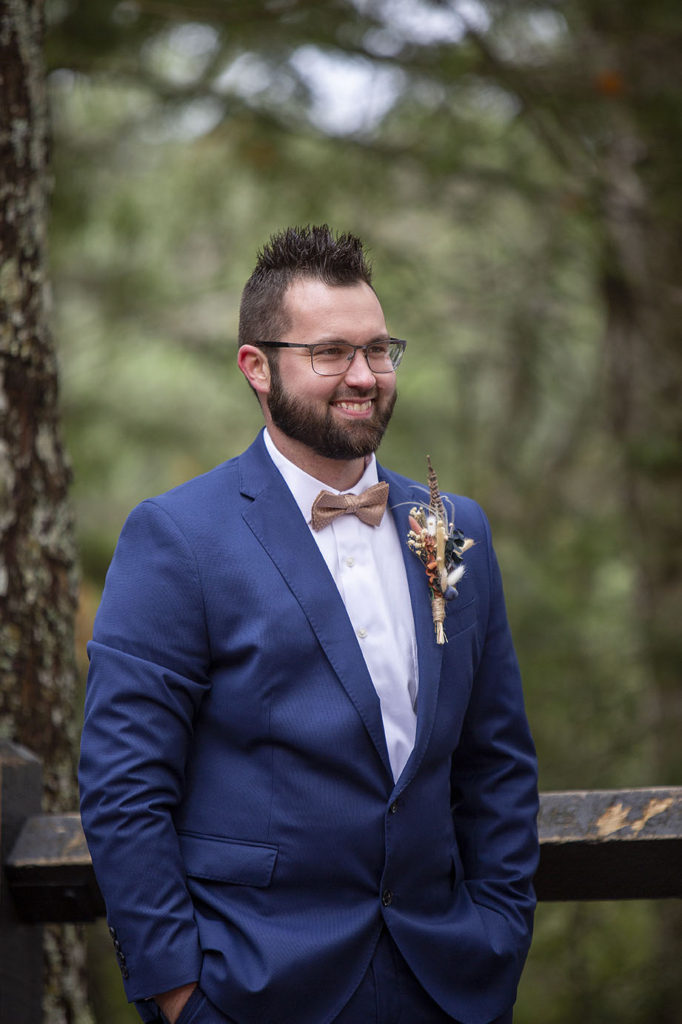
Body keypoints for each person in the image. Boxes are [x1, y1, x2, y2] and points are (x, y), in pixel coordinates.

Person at [79, 224, 538, 1024]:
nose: (363, 376)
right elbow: (124, 791)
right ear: (257, 367)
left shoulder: (453, 528)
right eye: (329, 353)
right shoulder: (178, 538)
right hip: (256, 988)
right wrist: (180, 995)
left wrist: (499, 931)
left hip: (449, 981)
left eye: (379, 349)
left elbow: (494, 760)